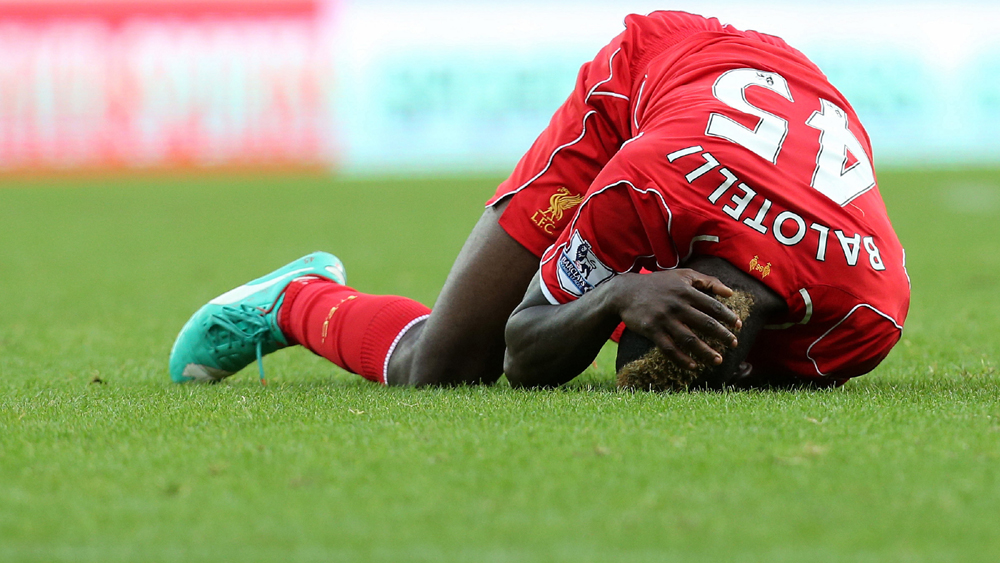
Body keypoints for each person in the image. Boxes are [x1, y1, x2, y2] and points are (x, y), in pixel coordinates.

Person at [169, 10, 910, 389]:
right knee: (445, 367)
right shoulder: (641, 183)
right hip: (649, 82)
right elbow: (525, 348)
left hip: (773, 120)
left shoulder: (873, 307)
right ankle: (292, 299)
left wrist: (615, 306)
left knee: (466, 365)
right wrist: (614, 294)